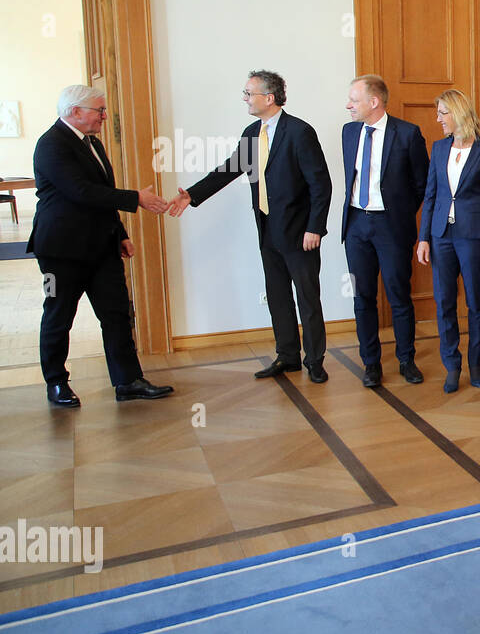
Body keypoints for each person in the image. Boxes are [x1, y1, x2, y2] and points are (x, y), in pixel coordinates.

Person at [170, 70, 333, 383]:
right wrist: (192, 194)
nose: (244, 98)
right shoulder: (250, 132)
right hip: (268, 229)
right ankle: (288, 357)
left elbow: (320, 184)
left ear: (268, 98)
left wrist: (316, 228)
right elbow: (230, 168)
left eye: (249, 93)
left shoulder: (299, 132)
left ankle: (314, 360)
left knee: (307, 298)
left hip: (300, 233)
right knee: (277, 295)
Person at [30, 85, 174, 406]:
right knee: (59, 315)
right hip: (62, 251)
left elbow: (101, 191)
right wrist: (136, 198)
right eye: (100, 110)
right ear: (75, 112)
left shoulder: (91, 142)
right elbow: (81, 191)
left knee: (117, 314)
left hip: (102, 245)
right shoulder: (51, 144)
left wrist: (120, 233)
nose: (105, 117)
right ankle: (56, 383)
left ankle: (128, 380)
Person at [341, 74, 429, 389]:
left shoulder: (407, 134)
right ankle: (371, 364)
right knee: (361, 296)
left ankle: (406, 360)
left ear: (374, 102)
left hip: (391, 227)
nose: (348, 105)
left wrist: (401, 213)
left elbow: (422, 184)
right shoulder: (348, 132)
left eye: (354, 99)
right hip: (355, 225)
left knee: (398, 295)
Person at [416, 89, 480, 393]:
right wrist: (423, 237)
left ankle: (475, 363)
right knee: (444, 301)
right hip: (441, 236)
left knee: (476, 301)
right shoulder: (438, 148)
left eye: (442, 113)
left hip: (474, 237)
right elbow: (430, 195)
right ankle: (452, 365)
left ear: (457, 113)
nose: (438, 119)